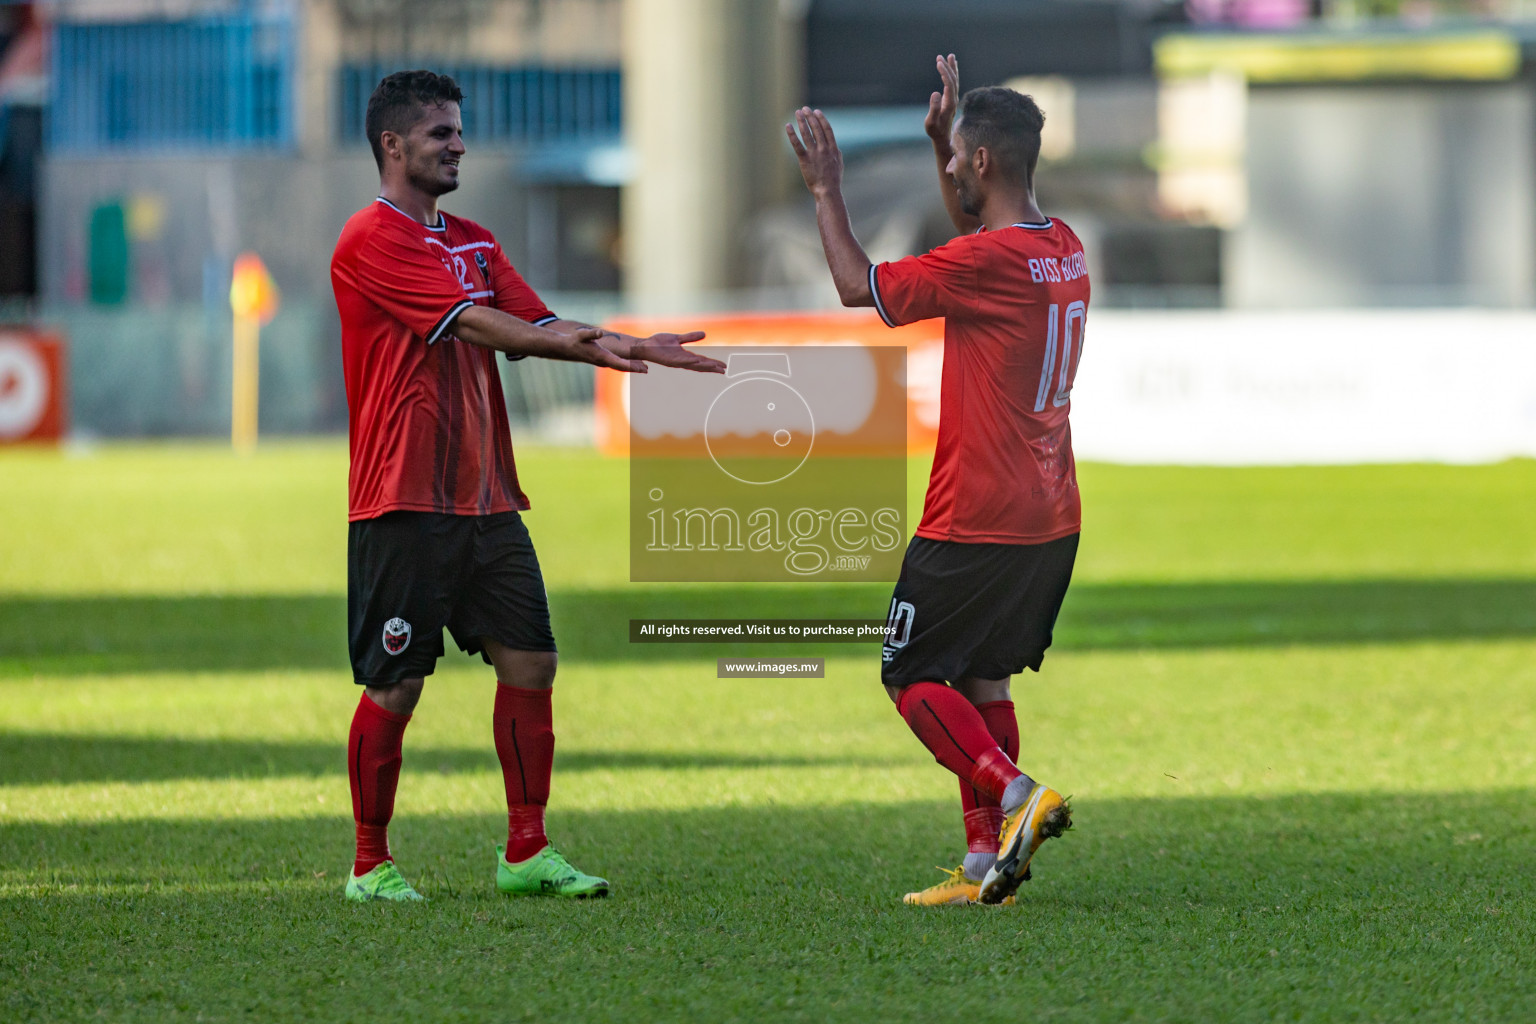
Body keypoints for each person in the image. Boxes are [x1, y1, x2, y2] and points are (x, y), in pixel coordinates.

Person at [331, 69, 723, 902]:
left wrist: (631, 345)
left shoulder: (473, 239)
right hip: (403, 498)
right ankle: (370, 863)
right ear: (394, 146)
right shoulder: (371, 239)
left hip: (487, 497)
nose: (459, 144)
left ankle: (525, 851)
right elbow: (471, 322)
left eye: (458, 130)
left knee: (533, 661)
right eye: (441, 132)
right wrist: (590, 349)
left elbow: (536, 321)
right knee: (396, 685)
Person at [786, 54, 1087, 906]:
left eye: (957, 156)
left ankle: (1018, 792)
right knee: (981, 677)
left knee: (909, 675)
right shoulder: (1060, 248)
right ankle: (986, 863)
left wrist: (825, 189)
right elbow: (974, 234)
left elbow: (856, 285)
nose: (950, 166)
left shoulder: (985, 264)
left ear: (984, 162)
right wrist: (936, 141)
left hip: (976, 513)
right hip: (1050, 511)